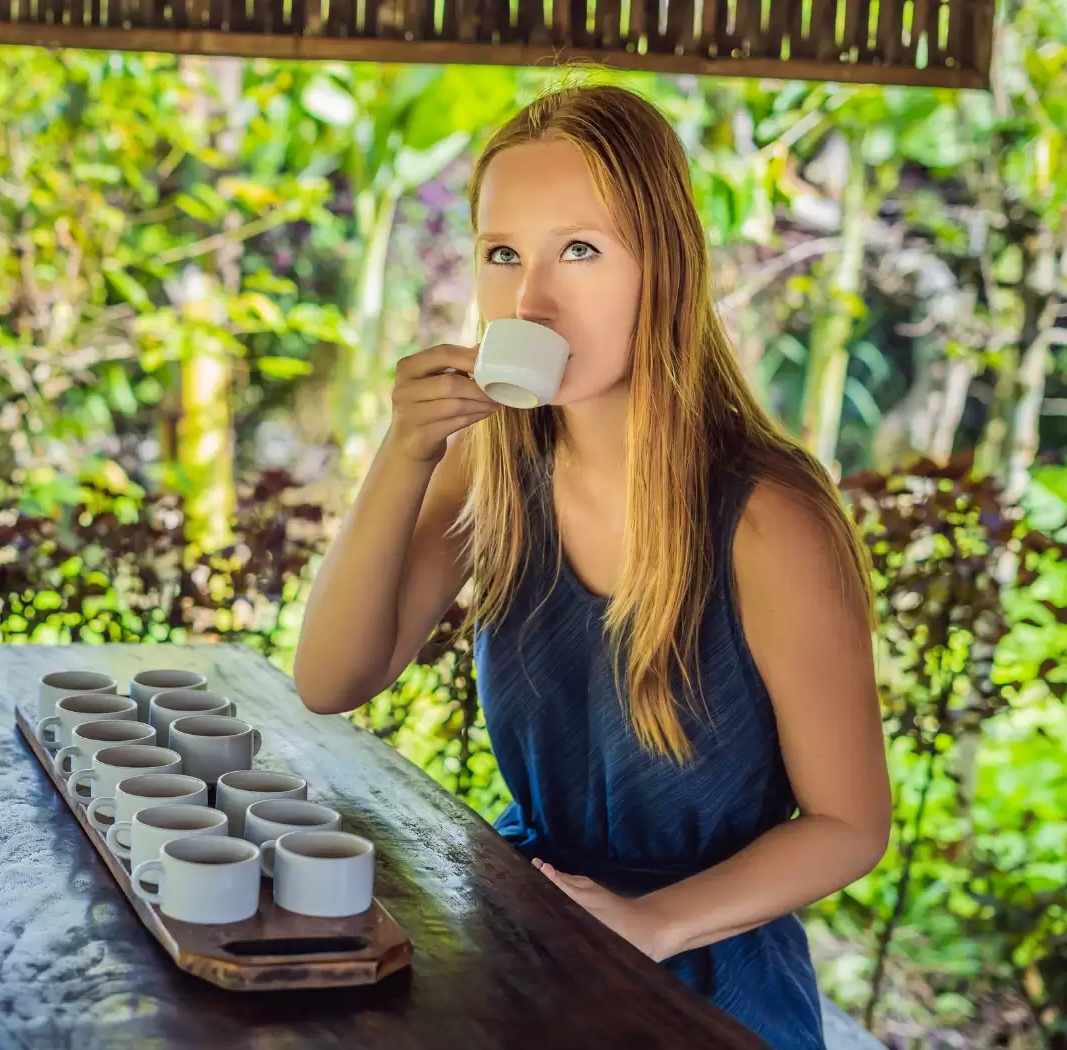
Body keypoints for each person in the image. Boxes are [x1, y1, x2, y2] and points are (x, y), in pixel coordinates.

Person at [292, 82, 892, 1050]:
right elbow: (330, 679)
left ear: (664, 266)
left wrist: (647, 927)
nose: (531, 300)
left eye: (580, 249)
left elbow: (851, 825)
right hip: (529, 941)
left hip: (705, 976)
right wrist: (404, 454)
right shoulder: (493, 464)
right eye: (502, 254)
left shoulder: (768, 519)